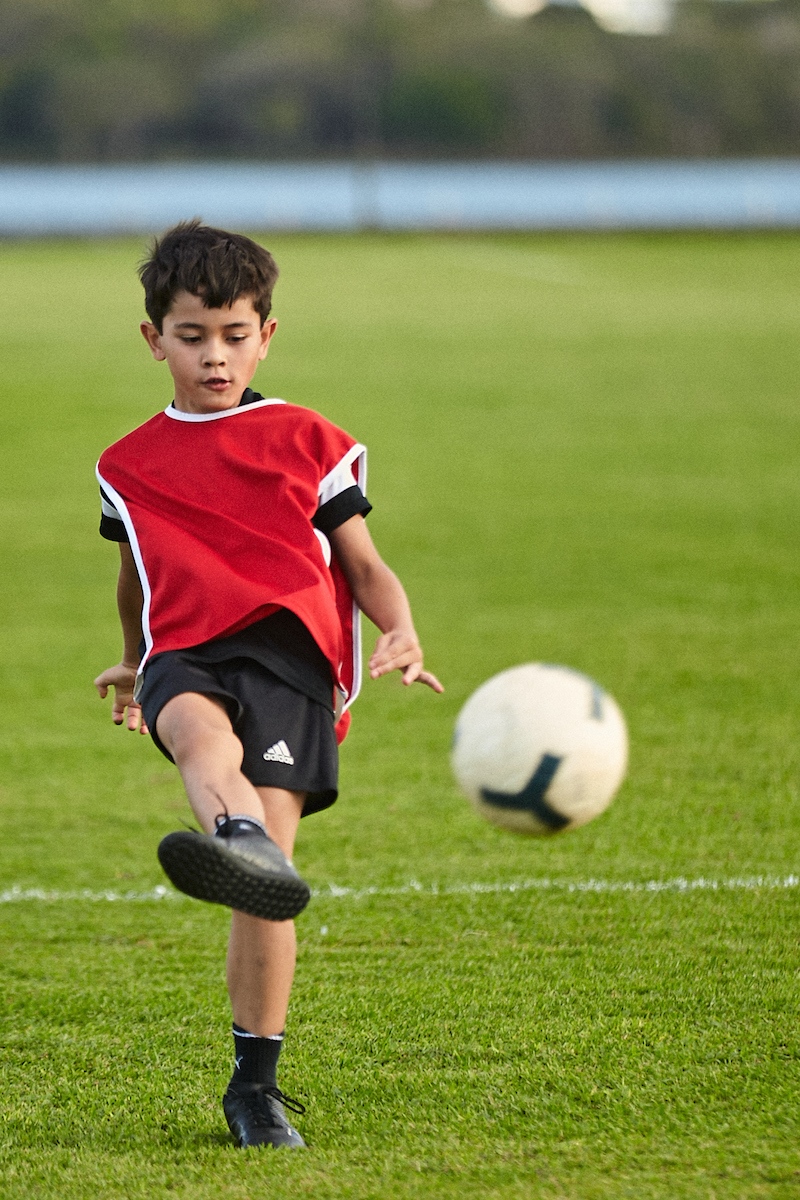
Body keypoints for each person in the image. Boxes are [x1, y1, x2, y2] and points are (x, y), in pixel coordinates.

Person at [93, 220, 442, 1149]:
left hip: (293, 656)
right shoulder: (124, 464)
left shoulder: (306, 439)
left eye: (235, 334)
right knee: (203, 740)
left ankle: (254, 1086)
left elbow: (363, 565)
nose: (216, 356)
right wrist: (133, 661)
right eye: (194, 335)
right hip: (184, 655)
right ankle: (235, 831)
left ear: (267, 335)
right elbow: (134, 573)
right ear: (154, 338)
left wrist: (400, 627)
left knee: (266, 883)